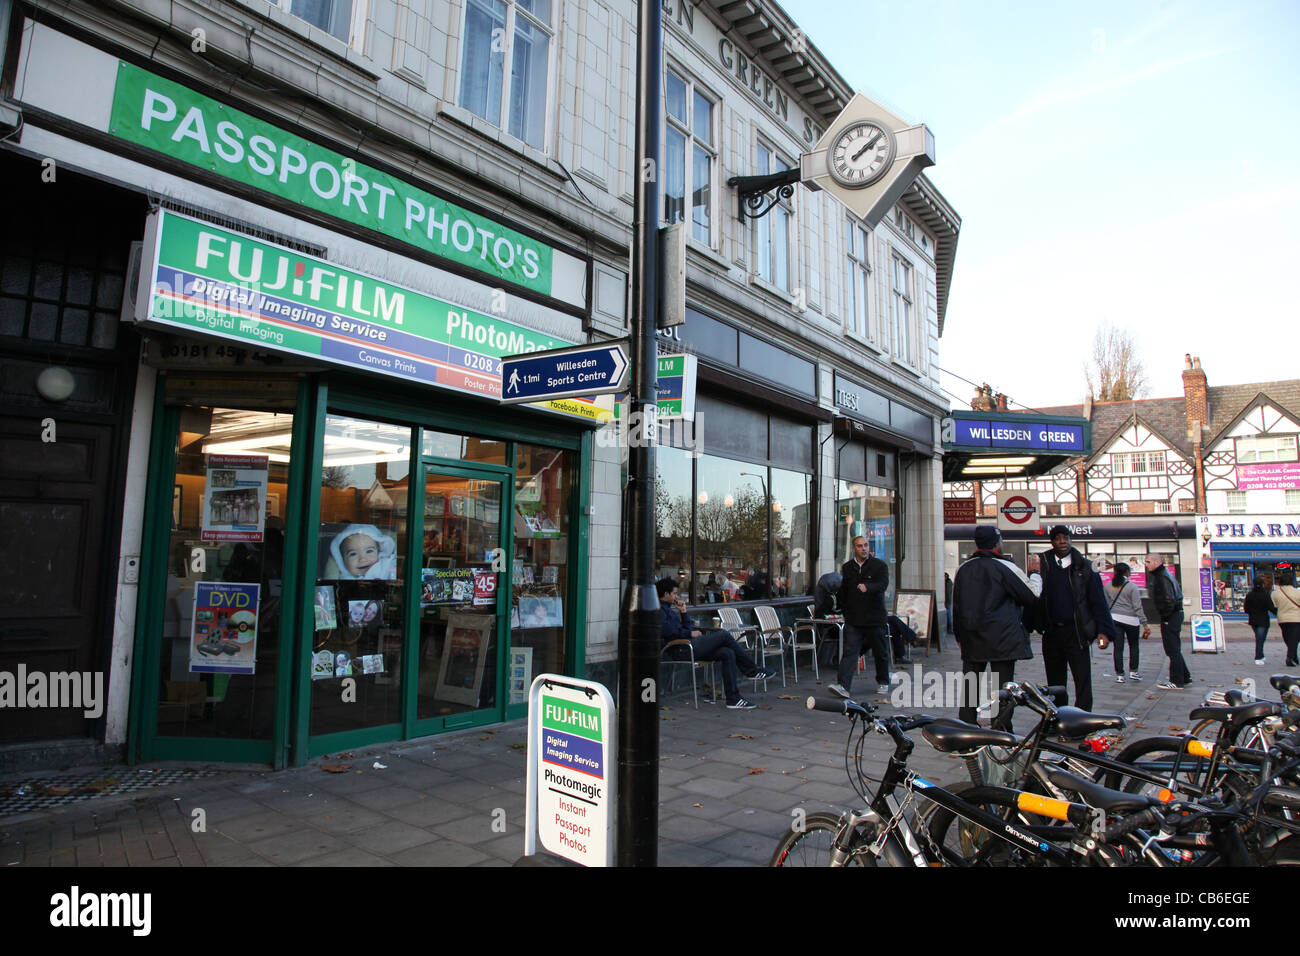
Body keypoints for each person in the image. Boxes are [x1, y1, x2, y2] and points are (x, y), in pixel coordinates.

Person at [951, 526, 1039, 727]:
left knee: (970, 684)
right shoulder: (1004, 566)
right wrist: (1035, 573)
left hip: (971, 634)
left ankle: (966, 725)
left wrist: (958, 635)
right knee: (1003, 686)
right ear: (997, 542)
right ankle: (1000, 728)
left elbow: (956, 603)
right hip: (1002, 635)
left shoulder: (963, 568)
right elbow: (1031, 596)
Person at [656, 577, 775, 709]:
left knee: (727, 652)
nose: (676, 596)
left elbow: (687, 628)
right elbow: (667, 631)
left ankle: (733, 698)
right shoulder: (659, 610)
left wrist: (683, 612)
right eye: (674, 593)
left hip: (689, 645)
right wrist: (689, 634)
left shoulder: (670, 610)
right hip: (680, 649)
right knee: (724, 635)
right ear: (665, 594)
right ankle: (751, 670)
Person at [1036, 525, 1117, 711]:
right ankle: (1057, 717)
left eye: (1066, 538)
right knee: (1055, 682)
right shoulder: (1043, 564)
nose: (1062, 542)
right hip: (1052, 631)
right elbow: (1034, 597)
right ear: (1052, 542)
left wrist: (1104, 631)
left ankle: (1083, 717)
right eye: (1057, 538)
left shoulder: (1085, 566)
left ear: (1071, 540)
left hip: (1077, 631)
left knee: (1082, 679)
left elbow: (1098, 601)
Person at [831, 536, 890, 699]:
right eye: (859, 546)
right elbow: (844, 591)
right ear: (854, 548)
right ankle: (843, 685)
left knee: (880, 651)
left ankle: (883, 681)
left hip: (874, 617)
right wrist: (839, 607)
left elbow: (883, 584)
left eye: (865, 545)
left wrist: (868, 587)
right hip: (854, 618)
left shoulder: (879, 566)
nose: (863, 549)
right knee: (850, 652)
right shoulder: (848, 568)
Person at [1145, 552, 1192, 689]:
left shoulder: (1162, 577)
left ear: (1156, 562)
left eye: (1148, 562)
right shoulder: (1165, 574)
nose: (1146, 565)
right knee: (1174, 647)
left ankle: (1177, 681)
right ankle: (1185, 676)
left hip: (1171, 615)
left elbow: (1168, 598)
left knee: (1172, 649)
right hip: (1174, 614)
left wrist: (1166, 617)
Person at [1106, 562, 1149, 683]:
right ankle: (1133, 672)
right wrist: (1144, 623)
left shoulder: (1108, 586)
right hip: (1131, 620)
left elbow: (1106, 603)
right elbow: (1137, 606)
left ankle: (1120, 675)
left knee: (1118, 648)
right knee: (1133, 646)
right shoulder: (1132, 586)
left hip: (1114, 618)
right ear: (1127, 572)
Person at [328, 523, 398, 579]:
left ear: (379, 551)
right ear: (342, 560)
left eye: (369, 551)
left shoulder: (385, 566)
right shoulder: (344, 578)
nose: (362, 559)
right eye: (353, 554)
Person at [1272, 564, 1300, 667]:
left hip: (1282, 619)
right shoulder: (1297, 592)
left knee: (1288, 638)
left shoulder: (1275, 593)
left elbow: (1274, 606)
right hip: (1296, 618)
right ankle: (1290, 657)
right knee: (1295, 638)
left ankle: (1294, 657)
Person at [1244, 575, 1275, 665]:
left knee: (1259, 638)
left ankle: (1260, 655)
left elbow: (1246, 608)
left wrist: (1251, 612)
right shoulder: (1265, 595)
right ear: (1262, 584)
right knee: (1260, 638)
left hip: (1253, 619)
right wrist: (1276, 612)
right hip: (1263, 620)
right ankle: (1258, 656)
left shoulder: (1250, 595)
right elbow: (1270, 607)